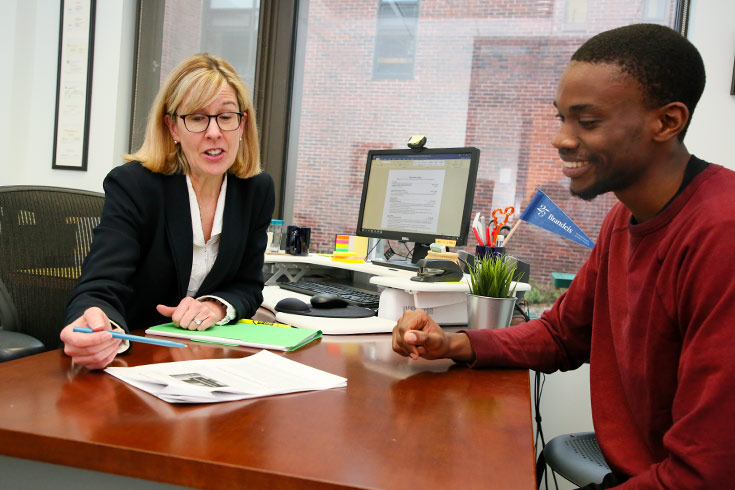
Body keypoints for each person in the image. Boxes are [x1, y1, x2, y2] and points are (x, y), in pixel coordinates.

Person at [393, 24, 735, 489]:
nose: (561, 139)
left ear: (667, 122)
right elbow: (562, 334)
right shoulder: (623, 219)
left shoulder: (721, 236)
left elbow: (705, 475)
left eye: (587, 122)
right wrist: (455, 344)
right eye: (561, 119)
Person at [61, 53, 275, 370]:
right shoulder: (134, 185)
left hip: (208, 363)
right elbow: (100, 287)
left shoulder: (255, 189)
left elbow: (247, 285)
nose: (214, 132)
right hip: (135, 362)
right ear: (173, 127)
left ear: (242, 124)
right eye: (198, 118)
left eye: (226, 117)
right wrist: (95, 325)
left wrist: (215, 306)